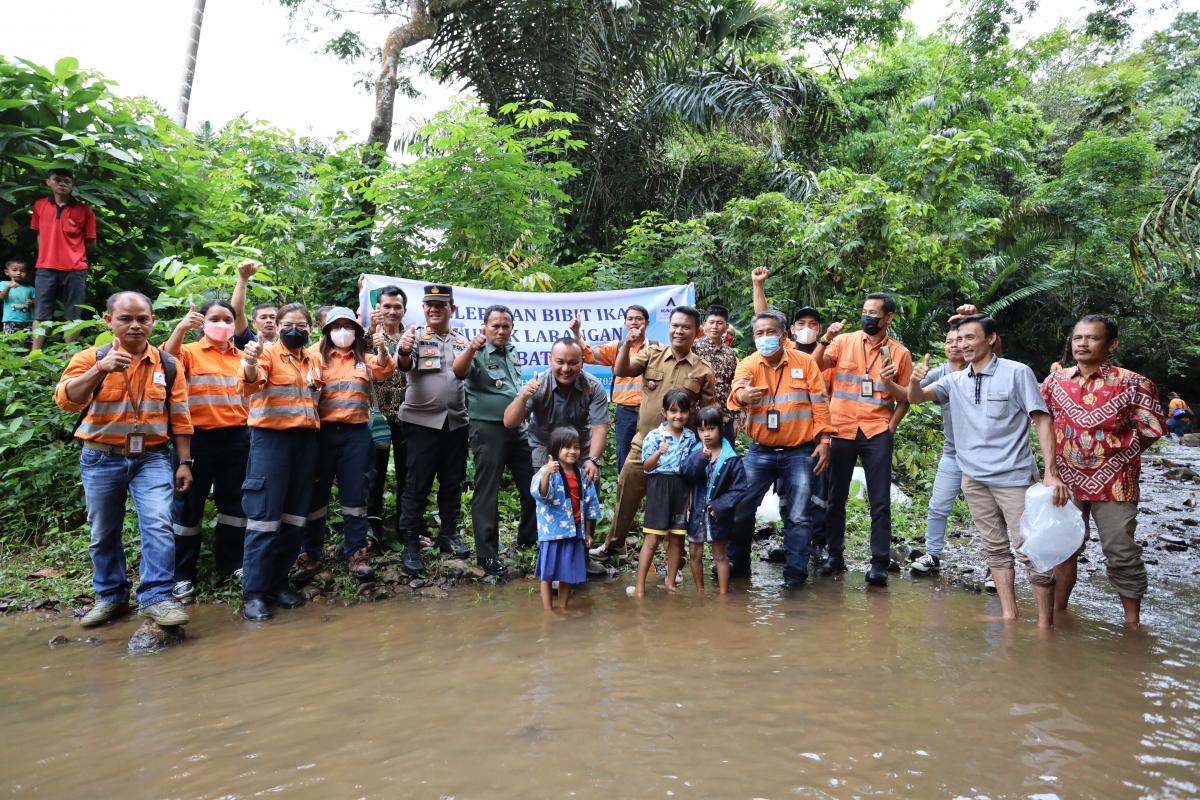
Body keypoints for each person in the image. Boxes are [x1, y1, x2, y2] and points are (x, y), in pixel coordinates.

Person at [909, 315, 1066, 628]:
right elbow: (915, 398)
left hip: (1014, 478)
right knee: (994, 549)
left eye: (971, 337)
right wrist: (915, 380)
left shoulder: (1017, 372)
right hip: (974, 479)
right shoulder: (954, 380)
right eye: (960, 338)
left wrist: (1051, 471)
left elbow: (1042, 420)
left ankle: (1044, 626)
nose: (964, 344)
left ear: (991, 338)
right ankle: (1009, 615)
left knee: (1030, 550)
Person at [53, 291, 193, 630]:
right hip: (101, 456)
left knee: (159, 522)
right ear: (109, 321)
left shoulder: (168, 364)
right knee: (103, 530)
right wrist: (100, 369)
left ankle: (157, 597)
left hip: (153, 457)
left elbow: (180, 416)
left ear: (152, 321)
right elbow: (65, 400)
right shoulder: (91, 357)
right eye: (126, 319)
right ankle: (111, 596)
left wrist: (185, 461)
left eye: (142, 319)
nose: (135, 325)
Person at [1042, 315, 1165, 628]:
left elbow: (1152, 428)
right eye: (1078, 338)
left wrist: (1118, 457)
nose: (1082, 344)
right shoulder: (1056, 381)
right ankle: (1059, 613)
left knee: (1120, 550)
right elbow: (1041, 419)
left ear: (1112, 344)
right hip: (1065, 481)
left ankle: (1132, 623)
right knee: (1063, 546)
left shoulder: (1134, 383)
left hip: (1116, 483)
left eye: (1092, 338)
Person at [591, 307, 716, 561]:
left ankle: (674, 561)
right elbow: (622, 370)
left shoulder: (703, 371)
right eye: (675, 326)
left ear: (697, 332)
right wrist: (626, 344)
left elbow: (707, 414)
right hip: (644, 444)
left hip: (680, 452)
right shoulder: (652, 354)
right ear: (669, 327)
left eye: (686, 327)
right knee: (625, 493)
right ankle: (614, 545)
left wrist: (708, 450)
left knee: (676, 506)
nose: (679, 331)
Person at [726, 311, 834, 589]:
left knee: (798, 515)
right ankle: (737, 567)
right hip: (760, 451)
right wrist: (742, 395)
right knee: (741, 507)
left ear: (784, 336)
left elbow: (820, 404)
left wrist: (824, 442)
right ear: (753, 337)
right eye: (759, 333)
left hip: (799, 451)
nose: (765, 338)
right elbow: (735, 393)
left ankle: (795, 577)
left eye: (770, 332)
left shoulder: (805, 362)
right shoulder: (748, 364)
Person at [815, 292, 912, 586]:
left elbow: (907, 398)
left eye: (874, 313)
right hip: (841, 428)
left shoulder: (899, 353)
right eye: (865, 311)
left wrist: (890, 427)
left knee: (880, 501)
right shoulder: (843, 342)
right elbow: (814, 367)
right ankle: (835, 557)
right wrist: (823, 340)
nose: (867, 316)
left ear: (888, 317)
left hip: (876, 431)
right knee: (836, 498)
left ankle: (879, 562)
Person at [238, 302, 323, 622]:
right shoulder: (265, 353)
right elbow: (249, 383)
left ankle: (278, 583)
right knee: (264, 516)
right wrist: (248, 362)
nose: (295, 329)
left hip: (305, 442)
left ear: (310, 329)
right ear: (278, 325)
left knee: (294, 517)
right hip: (271, 441)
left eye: (302, 325)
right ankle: (255, 592)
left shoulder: (313, 358)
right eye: (289, 324)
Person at [296, 307, 394, 582]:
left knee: (355, 494)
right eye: (336, 326)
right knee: (316, 495)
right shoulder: (314, 357)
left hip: (356, 435)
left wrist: (382, 347)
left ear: (356, 331)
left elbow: (385, 370)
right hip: (321, 433)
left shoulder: (364, 358)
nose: (343, 331)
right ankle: (310, 555)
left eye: (348, 326)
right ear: (327, 331)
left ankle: (357, 554)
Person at [163, 299, 250, 600]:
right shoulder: (189, 352)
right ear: (202, 321)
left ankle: (232, 563)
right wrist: (181, 327)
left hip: (237, 439)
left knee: (234, 506)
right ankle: (182, 574)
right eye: (215, 318)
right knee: (187, 506)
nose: (222, 324)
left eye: (228, 319)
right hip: (195, 440)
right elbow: (165, 360)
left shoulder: (242, 356)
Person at [751, 266, 831, 568]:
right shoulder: (781, 348)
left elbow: (823, 400)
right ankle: (793, 547)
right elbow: (764, 323)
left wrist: (826, 439)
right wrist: (758, 286)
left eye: (813, 324)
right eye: (802, 323)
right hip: (776, 444)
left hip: (813, 440)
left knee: (819, 498)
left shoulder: (830, 352)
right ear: (792, 330)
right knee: (789, 500)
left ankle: (817, 548)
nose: (807, 328)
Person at [394, 284, 472, 575]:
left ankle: (448, 534)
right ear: (424, 308)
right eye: (429, 305)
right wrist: (402, 350)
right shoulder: (414, 336)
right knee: (417, 485)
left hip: (456, 422)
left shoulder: (462, 341)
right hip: (421, 423)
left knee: (452, 481)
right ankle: (411, 543)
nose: (434, 309)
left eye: (441, 305)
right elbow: (403, 364)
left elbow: (466, 376)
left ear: (452, 309)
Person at [455, 304, 537, 576]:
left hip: (517, 429)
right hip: (488, 430)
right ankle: (487, 555)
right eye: (495, 326)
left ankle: (528, 539)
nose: (501, 331)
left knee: (533, 484)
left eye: (506, 326)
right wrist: (471, 348)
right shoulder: (476, 351)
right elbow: (459, 371)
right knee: (487, 491)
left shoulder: (511, 351)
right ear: (484, 327)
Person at [503, 337, 609, 478]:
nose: (566, 369)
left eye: (573, 363)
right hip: (544, 450)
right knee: (546, 496)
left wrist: (593, 460)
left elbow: (599, 427)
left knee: (588, 490)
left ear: (582, 362)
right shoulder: (538, 384)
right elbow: (509, 422)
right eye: (560, 362)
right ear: (550, 360)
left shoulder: (593, 387)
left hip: (579, 450)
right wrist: (523, 397)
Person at [910, 324, 968, 575]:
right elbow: (912, 396)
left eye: (960, 340)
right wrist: (914, 379)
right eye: (949, 341)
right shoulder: (939, 373)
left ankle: (994, 566)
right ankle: (932, 554)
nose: (954, 345)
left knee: (989, 513)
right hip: (953, 452)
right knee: (938, 505)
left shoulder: (981, 369)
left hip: (986, 455)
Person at [634, 389, 700, 597]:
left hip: (681, 487)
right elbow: (646, 466)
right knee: (652, 539)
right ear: (664, 413)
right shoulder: (654, 436)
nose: (678, 416)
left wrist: (689, 499)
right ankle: (639, 587)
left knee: (677, 539)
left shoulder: (691, 437)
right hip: (659, 486)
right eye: (673, 411)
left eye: (682, 411)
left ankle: (671, 582)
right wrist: (658, 453)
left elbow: (691, 469)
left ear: (689, 413)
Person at [574, 305, 652, 472]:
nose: (634, 322)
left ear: (647, 323)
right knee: (624, 459)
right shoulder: (616, 348)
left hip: (650, 412)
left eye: (639, 319)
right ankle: (625, 496)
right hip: (626, 413)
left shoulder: (656, 348)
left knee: (653, 456)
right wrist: (576, 333)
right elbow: (588, 355)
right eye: (630, 319)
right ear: (625, 323)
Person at [681, 406, 749, 595]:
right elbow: (686, 473)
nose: (706, 434)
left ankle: (723, 595)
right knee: (695, 554)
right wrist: (700, 459)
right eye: (702, 430)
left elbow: (740, 488)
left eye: (711, 429)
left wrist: (720, 505)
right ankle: (700, 592)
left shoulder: (731, 458)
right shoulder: (695, 451)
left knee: (720, 555)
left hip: (718, 514)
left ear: (720, 429)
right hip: (696, 512)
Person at [531, 427, 600, 611]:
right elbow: (541, 493)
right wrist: (547, 473)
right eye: (566, 447)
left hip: (574, 530)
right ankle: (548, 611)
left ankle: (563, 608)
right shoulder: (548, 471)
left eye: (576, 447)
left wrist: (588, 533)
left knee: (567, 574)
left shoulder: (582, 475)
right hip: (552, 532)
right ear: (556, 450)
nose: (572, 451)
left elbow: (589, 505)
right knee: (547, 574)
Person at [31, 168, 96, 350]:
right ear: (48, 182)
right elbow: (39, 235)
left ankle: (70, 357)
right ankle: (34, 355)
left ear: (72, 185)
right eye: (57, 180)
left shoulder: (85, 210)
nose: (62, 184)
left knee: (73, 314)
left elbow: (91, 242)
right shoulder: (40, 205)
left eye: (67, 181)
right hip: (45, 268)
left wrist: (74, 255)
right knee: (41, 313)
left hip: (75, 270)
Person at [366, 286, 409, 543]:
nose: (392, 312)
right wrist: (370, 332)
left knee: (408, 472)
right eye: (387, 306)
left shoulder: (413, 337)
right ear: (378, 309)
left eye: (397, 307)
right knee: (374, 474)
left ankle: (406, 528)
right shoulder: (364, 338)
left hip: (408, 417)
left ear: (404, 310)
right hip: (375, 417)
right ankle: (372, 531)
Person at [692, 304, 739, 443]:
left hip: (726, 417)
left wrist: (736, 416)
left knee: (726, 460)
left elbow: (733, 385)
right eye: (711, 322)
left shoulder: (730, 354)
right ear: (705, 324)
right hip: (700, 418)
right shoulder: (694, 348)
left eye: (719, 323)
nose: (715, 326)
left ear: (726, 327)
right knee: (700, 459)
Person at [1, 257, 35, 339]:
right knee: (11, 342)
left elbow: (37, 303)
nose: (19, 273)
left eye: (22, 271)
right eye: (15, 270)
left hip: (28, 321)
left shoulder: (30, 288)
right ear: (6, 272)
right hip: (10, 320)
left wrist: (32, 303)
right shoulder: (4, 284)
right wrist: (9, 287)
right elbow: (1, 297)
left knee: (27, 342)